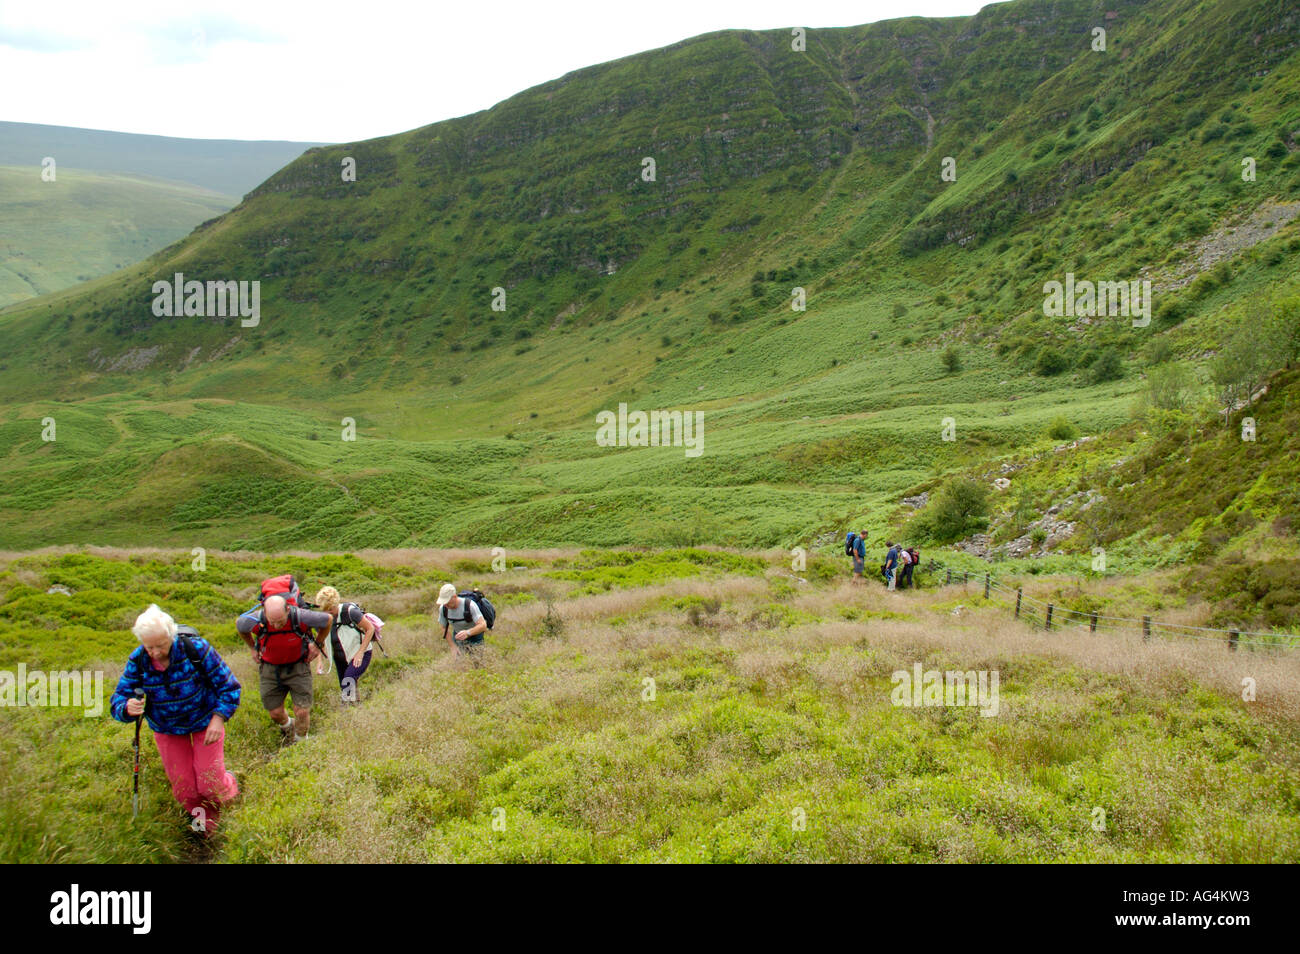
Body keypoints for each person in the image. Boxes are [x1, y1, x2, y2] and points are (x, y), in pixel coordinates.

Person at [110, 604, 241, 836]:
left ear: (171, 635)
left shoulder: (195, 649)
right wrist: (127, 708)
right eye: (149, 646)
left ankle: (229, 794)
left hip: (205, 722)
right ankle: (207, 827)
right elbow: (118, 699)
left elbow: (229, 686)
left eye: (161, 645)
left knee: (210, 784)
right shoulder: (139, 660)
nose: (155, 652)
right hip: (167, 728)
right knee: (185, 790)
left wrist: (219, 718)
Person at [236, 594, 332, 743]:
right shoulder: (255, 619)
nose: (276, 625)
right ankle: (289, 727)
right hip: (269, 668)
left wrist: (318, 644)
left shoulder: (301, 616)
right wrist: (252, 648)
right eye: (272, 622)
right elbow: (240, 626)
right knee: (275, 712)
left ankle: (301, 742)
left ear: (288, 610)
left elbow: (327, 621)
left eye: (280, 621)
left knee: (302, 711)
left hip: (299, 665)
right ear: (265, 613)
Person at [313, 586, 377, 704]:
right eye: (325, 610)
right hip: (340, 658)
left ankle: (346, 711)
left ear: (336, 603)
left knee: (348, 680)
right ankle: (356, 708)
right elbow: (320, 642)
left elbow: (370, 629)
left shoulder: (350, 612)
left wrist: (360, 653)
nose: (328, 612)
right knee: (346, 686)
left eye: (331, 609)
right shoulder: (322, 619)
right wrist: (320, 662)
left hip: (360, 653)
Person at [436, 583, 486, 663]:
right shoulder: (443, 609)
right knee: (459, 662)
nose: (445, 604)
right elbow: (443, 627)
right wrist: (453, 646)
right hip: (458, 636)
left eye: (447, 601)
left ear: (454, 597)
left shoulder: (470, 605)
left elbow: (483, 625)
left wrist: (468, 633)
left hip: (475, 636)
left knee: (477, 662)